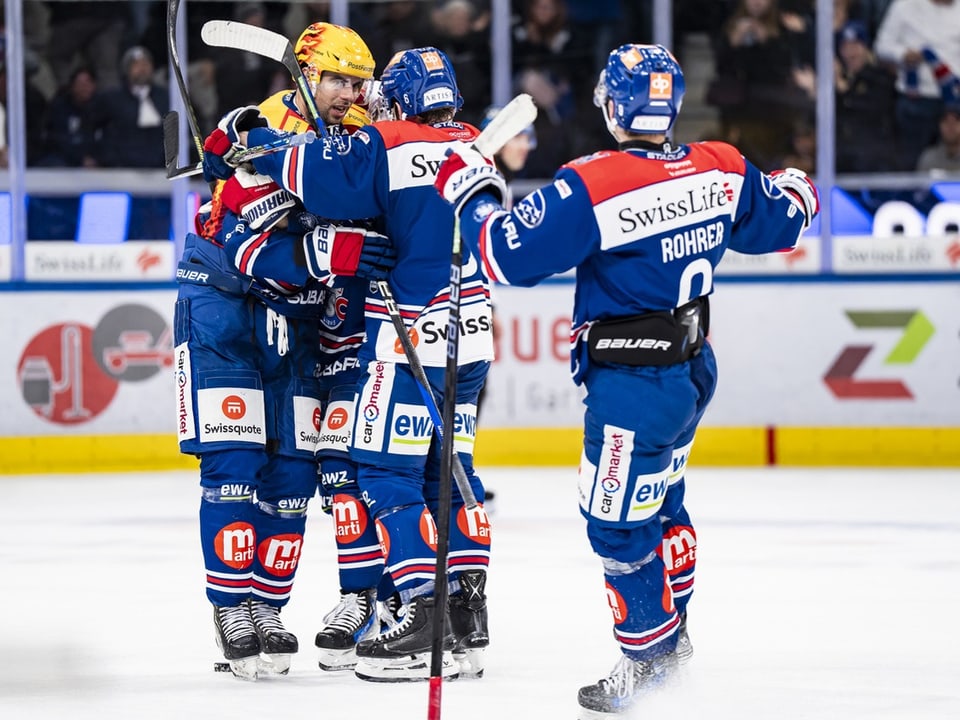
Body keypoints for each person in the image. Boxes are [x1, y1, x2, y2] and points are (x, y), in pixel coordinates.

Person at [433, 43, 819, 715]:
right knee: (664, 503)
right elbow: (784, 217)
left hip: (630, 385)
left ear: (615, 107)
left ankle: (650, 658)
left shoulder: (595, 181)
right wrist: (798, 186)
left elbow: (503, 256)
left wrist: (465, 190)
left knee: (613, 524)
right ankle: (677, 631)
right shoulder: (722, 165)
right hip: (692, 373)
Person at [220, 46, 495, 682]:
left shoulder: (385, 140)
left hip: (411, 339)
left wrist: (253, 139)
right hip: (472, 337)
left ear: (397, 99)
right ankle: (465, 614)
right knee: (450, 469)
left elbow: (311, 170)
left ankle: (422, 616)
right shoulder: (476, 142)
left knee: (381, 469)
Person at [178, 22, 393, 681]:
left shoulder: (362, 127)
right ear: (307, 74)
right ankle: (233, 607)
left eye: (360, 82)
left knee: (294, 475)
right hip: (226, 305)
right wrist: (325, 251)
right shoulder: (262, 133)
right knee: (236, 459)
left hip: (297, 317)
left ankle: (268, 609)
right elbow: (242, 244)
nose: (350, 93)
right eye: (339, 80)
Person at [874, 0, 960, 170]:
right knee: (911, 162)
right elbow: (881, 46)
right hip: (916, 100)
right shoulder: (905, 6)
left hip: (955, 101)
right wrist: (903, 54)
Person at [97, 45, 169, 168]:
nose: (142, 69)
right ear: (127, 69)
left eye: (146, 64)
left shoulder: (166, 97)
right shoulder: (112, 98)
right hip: (122, 168)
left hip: (161, 168)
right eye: (136, 65)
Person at [916, 103, 960, 171]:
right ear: (939, 125)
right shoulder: (929, 158)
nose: (950, 126)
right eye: (945, 121)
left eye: (956, 121)